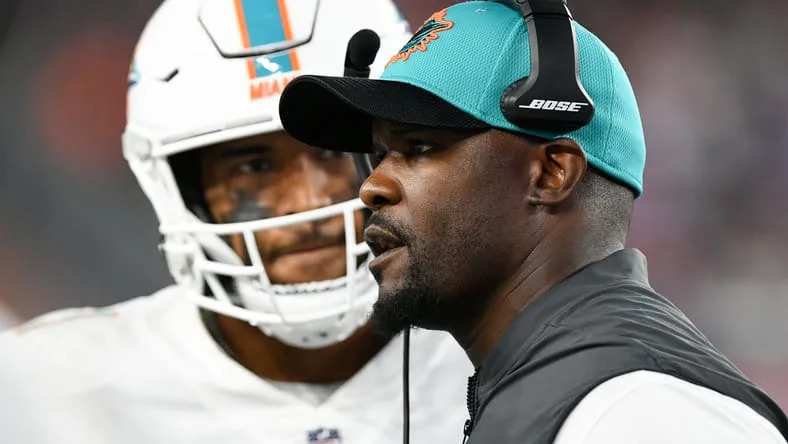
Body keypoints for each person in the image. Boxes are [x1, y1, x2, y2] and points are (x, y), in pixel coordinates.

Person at [277, 1, 788, 443]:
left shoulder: (644, 410)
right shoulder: (575, 386)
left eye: (419, 148)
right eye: (381, 155)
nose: (371, 186)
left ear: (550, 173)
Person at [0, 0, 473, 443]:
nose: (306, 203)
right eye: (255, 166)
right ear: (184, 188)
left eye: (333, 151)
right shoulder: (40, 387)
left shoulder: (509, 354)